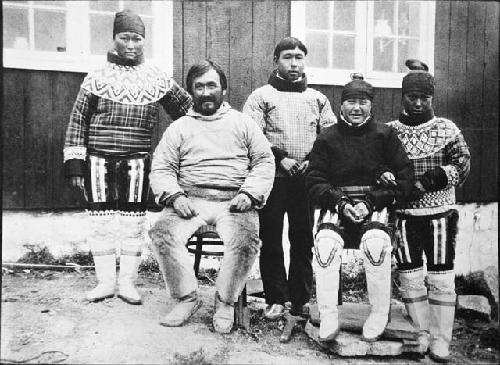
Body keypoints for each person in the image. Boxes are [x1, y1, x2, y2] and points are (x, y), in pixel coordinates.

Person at [63, 9, 192, 305]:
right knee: (102, 222)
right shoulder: (97, 76)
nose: (131, 44)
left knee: (133, 223)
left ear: (143, 41)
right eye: (125, 37)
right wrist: (75, 164)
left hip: (137, 161)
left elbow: (185, 109)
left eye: (137, 38)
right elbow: (78, 119)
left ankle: (128, 283)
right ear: (114, 38)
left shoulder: (155, 77)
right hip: (98, 160)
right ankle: (105, 282)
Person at [148, 60, 275, 334]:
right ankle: (186, 298)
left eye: (211, 85)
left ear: (223, 90)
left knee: (245, 240)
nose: (206, 92)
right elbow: (161, 167)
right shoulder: (179, 127)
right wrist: (174, 195)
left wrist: (250, 193)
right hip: (190, 199)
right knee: (161, 233)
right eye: (199, 87)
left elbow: (264, 162)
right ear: (191, 92)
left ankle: (225, 302)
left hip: (233, 201)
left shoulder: (244, 124)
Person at [306, 74, 414, 343]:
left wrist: (370, 203)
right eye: (351, 102)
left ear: (371, 106)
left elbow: (404, 178)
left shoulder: (385, 135)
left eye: (363, 102)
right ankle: (329, 315)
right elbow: (314, 180)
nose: (357, 108)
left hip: (374, 207)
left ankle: (379, 313)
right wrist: (340, 204)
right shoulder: (328, 137)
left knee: (377, 243)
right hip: (338, 206)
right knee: (326, 244)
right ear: (340, 106)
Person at [243, 37, 336, 320]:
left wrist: (311, 162)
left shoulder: (318, 99)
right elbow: (252, 134)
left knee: (302, 238)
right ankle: (275, 298)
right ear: (276, 61)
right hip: (272, 178)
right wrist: (280, 157)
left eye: (299, 57)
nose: (294, 63)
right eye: (287, 57)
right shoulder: (262, 96)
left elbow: (330, 137)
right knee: (270, 238)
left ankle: (300, 299)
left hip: (305, 181)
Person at [387, 60, 471, 362]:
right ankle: (419, 334)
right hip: (405, 216)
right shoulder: (390, 132)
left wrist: (428, 181)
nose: (419, 103)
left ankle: (440, 339)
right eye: (413, 97)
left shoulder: (446, 128)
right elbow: (381, 166)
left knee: (441, 276)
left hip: (440, 215)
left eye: (425, 97)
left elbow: (462, 164)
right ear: (403, 96)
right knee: (410, 275)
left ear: (432, 98)